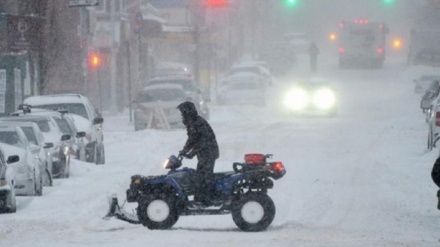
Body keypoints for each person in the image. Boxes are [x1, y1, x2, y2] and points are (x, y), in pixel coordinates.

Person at [177, 101, 219, 206]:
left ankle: (206, 199)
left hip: (208, 152)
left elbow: (201, 142)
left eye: (183, 113)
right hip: (204, 153)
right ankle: (201, 198)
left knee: (204, 176)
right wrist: (185, 150)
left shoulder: (197, 123)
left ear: (188, 112)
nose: (182, 116)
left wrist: (190, 153)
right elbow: (192, 139)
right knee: (200, 175)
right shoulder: (193, 122)